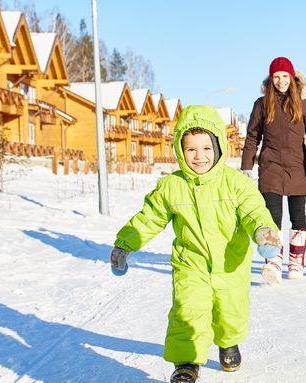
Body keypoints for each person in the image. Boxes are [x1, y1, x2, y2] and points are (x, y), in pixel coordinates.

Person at [109, 105, 280, 383]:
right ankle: (187, 363)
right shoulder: (172, 186)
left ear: (219, 148)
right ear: (180, 150)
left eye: (206, 148)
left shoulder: (235, 183)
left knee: (231, 312)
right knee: (188, 313)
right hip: (191, 265)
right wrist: (124, 244)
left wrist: (264, 232)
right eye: (191, 150)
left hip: (230, 265)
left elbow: (254, 211)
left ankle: (228, 342)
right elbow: (149, 217)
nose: (199, 156)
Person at [241, 57, 306, 284]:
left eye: (285, 76)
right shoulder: (262, 103)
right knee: (272, 218)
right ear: (270, 79)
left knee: (298, 217)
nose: (281, 81)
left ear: (292, 78)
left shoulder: (305, 104)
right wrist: (247, 166)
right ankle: (273, 262)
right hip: (271, 166)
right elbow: (253, 136)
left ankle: (296, 262)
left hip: (297, 166)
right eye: (276, 77)